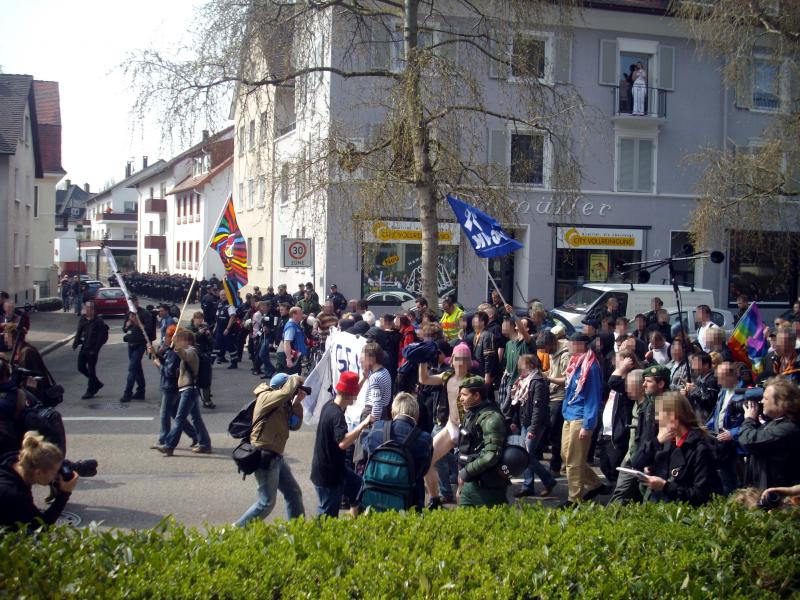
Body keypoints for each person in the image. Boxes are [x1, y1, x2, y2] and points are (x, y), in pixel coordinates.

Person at [234, 373, 306, 526]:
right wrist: (295, 378)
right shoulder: (266, 397)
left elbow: (295, 425)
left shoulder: (284, 403)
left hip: (277, 457)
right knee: (266, 503)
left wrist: (297, 404)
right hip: (264, 456)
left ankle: (296, 530)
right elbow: (286, 392)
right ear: (281, 387)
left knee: (293, 493)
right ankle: (232, 532)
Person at [632, 392, 721, 505]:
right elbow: (636, 462)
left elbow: (700, 495)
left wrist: (665, 486)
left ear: (673, 416)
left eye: (660, 414)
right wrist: (656, 443)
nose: (657, 419)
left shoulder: (700, 448)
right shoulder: (666, 441)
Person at [310, 372, 373, 518]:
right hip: (328, 475)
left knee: (358, 486)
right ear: (349, 395)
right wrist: (362, 425)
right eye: (354, 394)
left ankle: (354, 513)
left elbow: (349, 391)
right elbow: (343, 443)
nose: (356, 397)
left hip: (336, 469)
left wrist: (362, 378)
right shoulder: (337, 415)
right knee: (327, 516)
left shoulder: (332, 404)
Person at [418, 341, 470, 508]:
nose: (460, 363)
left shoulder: (474, 380)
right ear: (452, 360)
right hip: (451, 426)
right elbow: (424, 379)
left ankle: (464, 508)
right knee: (426, 460)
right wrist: (422, 359)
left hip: (469, 432)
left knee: (464, 477)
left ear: (469, 361)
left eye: (464, 359)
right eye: (457, 359)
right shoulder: (447, 376)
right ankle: (434, 499)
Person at [364, 392, 434, 510]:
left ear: (392, 413)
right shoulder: (424, 439)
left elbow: (366, 447)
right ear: (417, 416)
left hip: (374, 499)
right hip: (409, 503)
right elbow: (424, 470)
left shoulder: (378, 428)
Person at [0, 430, 79, 531]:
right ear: (39, 473)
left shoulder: (14, 461)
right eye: (55, 472)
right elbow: (41, 527)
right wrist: (64, 494)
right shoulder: (14, 495)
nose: (57, 476)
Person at [560, 333, 606, 505]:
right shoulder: (575, 362)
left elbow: (593, 397)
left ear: (580, 345)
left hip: (581, 417)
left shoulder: (591, 367)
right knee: (566, 455)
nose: (568, 346)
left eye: (570, 344)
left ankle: (574, 499)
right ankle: (595, 485)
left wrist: (588, 425)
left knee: (573, 461)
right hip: (569, 413)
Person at [156, 329, 212, 455]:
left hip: (189, 389)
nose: (178, 343)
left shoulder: (191, 351)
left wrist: (176, 346)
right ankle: (204, 443)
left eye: (180, 340)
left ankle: (169, 445)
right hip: (188, 389)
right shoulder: (190, 351)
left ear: (187, 341)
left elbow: (184, 355)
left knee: (179, 418)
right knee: (196, 419)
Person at [456, 375, 509, 508]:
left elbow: (491, 455)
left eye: (464, 395)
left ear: (476, 396)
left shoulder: (491, 419)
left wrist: (466, 472)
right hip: (470, 482)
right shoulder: (471, 414)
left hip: (487, 487)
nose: (461, 398)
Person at [738, 378, 800, 489]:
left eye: (765, 398)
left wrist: (749, 420)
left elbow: (749, 441)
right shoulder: (775, 423)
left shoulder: (787, 429)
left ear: (781, 403)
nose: (761, 402)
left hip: (778, 497)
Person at [512, 354, 557, 498]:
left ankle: (547, 480)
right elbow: (519, 403)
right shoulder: (524, 381)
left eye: (522, 366)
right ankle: (528, 485)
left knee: (526, 455)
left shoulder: (538, 382)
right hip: (526, 422)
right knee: (525, 454)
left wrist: (533, 429)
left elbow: (539, 408)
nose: (520, 369)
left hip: (535, 424)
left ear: (531, 366)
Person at [706, 362, 747, 495]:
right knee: (725, 478)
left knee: (737, 480)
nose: (718, 381)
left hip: (736, 446)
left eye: (720, 377)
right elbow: (717, 414)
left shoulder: (745, 392)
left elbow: (751, 421)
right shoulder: (724, 391)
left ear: (731, 376)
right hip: (721, 443)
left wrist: (733, 433)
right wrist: (706, 427)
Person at [597, 349, 637, 484]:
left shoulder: (630, 381)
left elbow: (613, 382)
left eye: (619, 359)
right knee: (604, 464)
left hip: (619, 432)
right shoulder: (619, 377)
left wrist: (624, 367)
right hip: (607, 431)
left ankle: (621, 496)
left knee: (615, 467)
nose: (615, 363)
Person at [120, 295, 155, 403]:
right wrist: (127, 325)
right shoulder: (129, 313)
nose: (131, 305)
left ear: (137, 302)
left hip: (140, 343)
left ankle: (127, 393)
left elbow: (149, 330)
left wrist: (136, 322)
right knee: (136, 368)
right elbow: (124, 329)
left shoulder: (145, 314)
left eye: (133, 302)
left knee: (132, 368)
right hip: (131, 342)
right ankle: (141, 391)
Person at [72, 301, 109, 399]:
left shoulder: (98, 321)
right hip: (84, 347)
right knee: (80, 367)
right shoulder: (83, 319)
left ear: (93, 309)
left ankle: (90, 390)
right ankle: (96, 383)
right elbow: (79, 331)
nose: (87, 310)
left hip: (92, 350)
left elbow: (102, 338)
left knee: (92, 370)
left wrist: (95, 350)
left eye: (89, 308)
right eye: (86, 308)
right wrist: (76, 342)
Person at [682, 352, 719, 423]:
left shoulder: (713, 379)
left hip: (707, 421)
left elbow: (709, 402)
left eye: (696, 364)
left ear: (706, 365)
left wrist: (694, 390)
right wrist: (687, 393)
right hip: (697, 417)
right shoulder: (699, 378)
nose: (693, 367)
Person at [470, 311, 498, 387]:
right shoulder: (476, 335)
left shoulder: (487, 335)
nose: (473, 324)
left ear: (482, 322)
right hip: (479, 371)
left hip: (484, 373)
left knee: (487, 395)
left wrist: (487, 375)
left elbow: (489, 357)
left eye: (475, 321)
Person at [277, 307, 308, 376]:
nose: (302, 315)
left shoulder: (295, 325)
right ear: (294, 315)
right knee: (291, 380)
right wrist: (288, 359)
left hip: (294, 356)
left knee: (295, 379)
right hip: (289, 356)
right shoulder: (291, 327)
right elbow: (287, 343)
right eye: (300, 314)